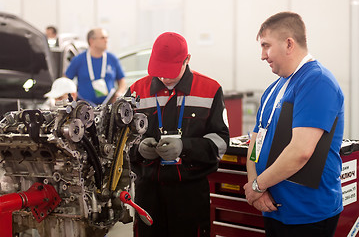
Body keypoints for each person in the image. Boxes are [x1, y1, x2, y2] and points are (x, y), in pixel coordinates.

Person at [243, 12, 344, 237]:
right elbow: (255, 142)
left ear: (289, 43)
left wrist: (258, 186)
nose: (262, 56)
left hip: (308, 214)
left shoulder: (316, 81)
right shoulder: (273, 90)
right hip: (273, 208)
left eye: (266, 46)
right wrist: (255, 186)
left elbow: (301, 151)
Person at [125, 32, 229, 237]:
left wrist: (185, 147)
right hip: (148, 194)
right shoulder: (137, 92)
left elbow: (220, 142)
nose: (163, 77)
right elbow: (120, 142)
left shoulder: (210, 90)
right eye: (159, 70)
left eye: (170, 71)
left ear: (187, 59)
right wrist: (138, 149)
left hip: (190, 194)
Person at [65, 28, 126, 105]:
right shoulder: (79, 59)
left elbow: (122, 81)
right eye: (102, 38)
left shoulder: (112, 58)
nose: (106, 40)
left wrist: (119, 93)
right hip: (85, 109)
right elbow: (65, 80)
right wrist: (71, 96)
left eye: (107, 38)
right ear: (91, 41)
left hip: (109, 108)